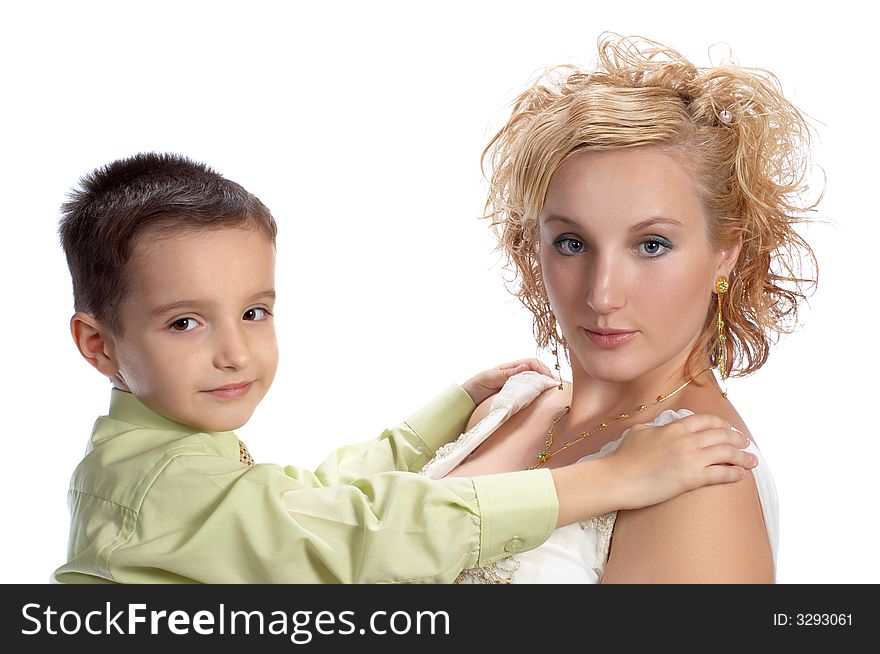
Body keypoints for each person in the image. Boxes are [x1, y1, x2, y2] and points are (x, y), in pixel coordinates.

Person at [52, 152, 756, 584]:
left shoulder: (161, 457)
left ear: (726, 254)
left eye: (255, 313)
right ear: (99, 346)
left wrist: (443, 414)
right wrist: (609, 478)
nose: (234, 351)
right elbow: (361, 534)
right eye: (184, 323)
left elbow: (313, 496)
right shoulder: (160, 484)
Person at [424, 34, 818, 583]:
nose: (602, 294)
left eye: (652, 245)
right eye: (571, 243)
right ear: (532, 244)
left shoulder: (703, 481)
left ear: (725, 253)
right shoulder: (507, 410)